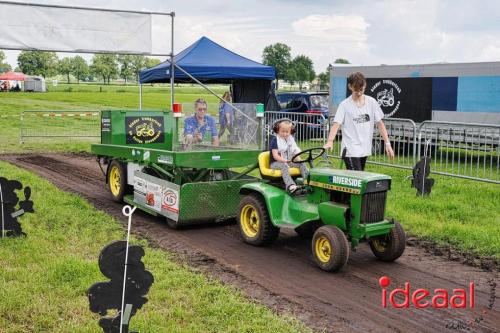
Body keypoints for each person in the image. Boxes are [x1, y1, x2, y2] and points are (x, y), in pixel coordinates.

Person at [324, 72, 394, 171]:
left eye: (361, 90)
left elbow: (380, 123)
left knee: (358, 180)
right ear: (350, 87)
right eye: (356, 91)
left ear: (365, 85)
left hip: (364, 149)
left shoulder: (372, 102)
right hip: (350, 150)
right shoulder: (344, 105)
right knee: (358, 181)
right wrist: (330, 141)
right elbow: (336, 124)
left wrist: (387, 144)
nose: (359, 93)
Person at [270, 119, 308, 194]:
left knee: (302, 164)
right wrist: (284, 161)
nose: (285, 134)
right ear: (277, 130)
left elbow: (294, 150)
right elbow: (275, 156)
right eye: (282, 131)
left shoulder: (290, 139)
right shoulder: (275, 140)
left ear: (291, 131)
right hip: (275, 163)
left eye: (287, 132)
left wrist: (299, 159)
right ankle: (291, 185)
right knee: (284, 166)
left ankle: (307, 182)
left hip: (288, 161)